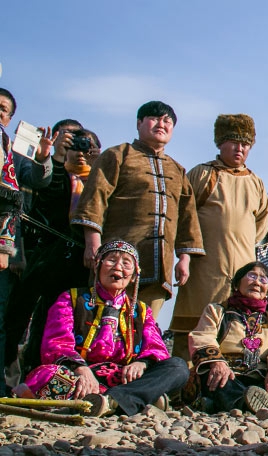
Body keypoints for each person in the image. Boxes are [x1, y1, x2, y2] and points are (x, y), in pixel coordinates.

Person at [14, 240, 189, 416]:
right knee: (50, 377)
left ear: (134, 275)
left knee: (178, 367)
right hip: (77, 374)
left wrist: (142, 363)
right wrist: (81, 369)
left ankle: (110, 401)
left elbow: (156, 348)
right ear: (98, 266)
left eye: (126, 263)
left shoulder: (141, 311)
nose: (118, 267)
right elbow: (56, 343)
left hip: (123, 378)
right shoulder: (72, 299)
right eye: (111, 260)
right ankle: (129, 401)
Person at [71, 101, 204, 316]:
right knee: (104, 327)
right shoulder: (117, 155)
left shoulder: (178, 169)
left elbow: (188, 216)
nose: (162, 124)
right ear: (139, 123)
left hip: (159, 268)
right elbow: (95, 198)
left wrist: (185, 260)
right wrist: (92, 242)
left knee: (145, 332)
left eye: (167, 121)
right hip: (115, 263)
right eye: (155, 118)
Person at [170, 114, 268, 359]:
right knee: (194, 329)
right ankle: (185, 386)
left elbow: (260, 227)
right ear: (220, 143)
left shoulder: (256, 182)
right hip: (204, 268)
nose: (239, 149)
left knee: (236, 331)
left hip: (242, 269)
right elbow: (183, 217)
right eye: (234, 142)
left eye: (245, 144)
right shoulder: (202, 174)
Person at [7, 125, 100, 378]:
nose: (81, 152)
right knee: (27, 315)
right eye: (74, 146)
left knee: (64, 319)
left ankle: (57, 373)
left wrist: (99, 166)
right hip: (44, 256)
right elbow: (46, 196)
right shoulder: (48, 173)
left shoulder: (101, 180)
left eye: (88, 145)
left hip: (81, 261)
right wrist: (57, 158)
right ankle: (23, 369)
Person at [187, 261, 268, 415]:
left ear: (267, 291)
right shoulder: (217, 311)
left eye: (263, 279)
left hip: (259, 377)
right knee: (213, 375)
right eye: (252, 276)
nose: (256, 282)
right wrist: (217, 362)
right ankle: (248, 404)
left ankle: (232, 405)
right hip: (228, 374)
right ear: (236, 284)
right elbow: (203, 336)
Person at [0, 88, 54, 395]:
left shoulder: (12, 152)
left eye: (4, 109)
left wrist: (44, 155)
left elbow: (36, 180)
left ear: (10, 118)